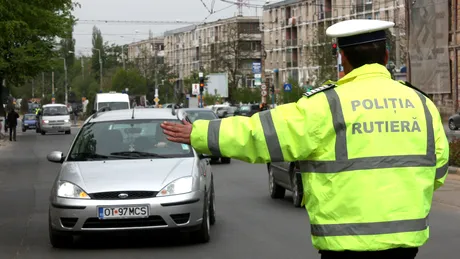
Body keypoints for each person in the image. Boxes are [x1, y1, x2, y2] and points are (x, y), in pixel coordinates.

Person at [160, 19, 449, 259]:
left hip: (345, 244)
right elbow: (437, 170)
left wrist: (200, 132)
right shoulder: (421, 104)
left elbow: (260, 135)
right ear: (386, 57)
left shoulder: (326, 105)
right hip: (406, 242)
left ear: (343, 58)